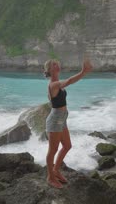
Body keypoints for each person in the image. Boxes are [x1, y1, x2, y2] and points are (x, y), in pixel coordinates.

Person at [43, 57, 93, 189]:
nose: (57, 66)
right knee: (52, 150)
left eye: (57, 64)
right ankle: (50, 177)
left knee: (67, 146)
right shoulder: (53, 84)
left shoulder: (56, 83)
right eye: (54, 65)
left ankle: (56, 170)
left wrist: (83, 72)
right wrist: (83, 72)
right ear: (49, 69)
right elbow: (69, 81)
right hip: (55, 120)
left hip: (62, 118)